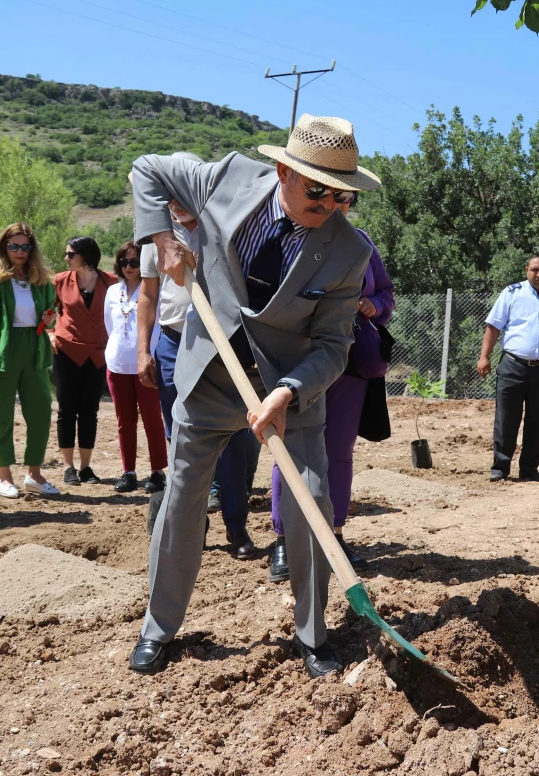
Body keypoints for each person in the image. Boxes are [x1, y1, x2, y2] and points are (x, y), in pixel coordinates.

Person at [127, 113, 376, 678]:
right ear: (283, 171)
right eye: (319, 191)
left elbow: (334, 345)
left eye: (344, 196)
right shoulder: (224, 181)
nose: (331, 205)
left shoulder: (348, 252)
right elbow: (147, 170)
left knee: (313, 503)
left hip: (288, 391)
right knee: (182, 502)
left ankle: (313, 635)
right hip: (210, 375)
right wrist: (163, 239)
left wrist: (288, 391)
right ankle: (159, 626)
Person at [269, 192, 395, 581]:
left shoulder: (362, 244)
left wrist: (374, 305)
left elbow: (387, 295)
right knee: (289, 449)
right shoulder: (292, 237)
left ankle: (335, 534)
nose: (340, 205)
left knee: (339, 450)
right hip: (301, 362)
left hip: (351, 362)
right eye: (332, 197)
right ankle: (284, 540)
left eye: (347, 199)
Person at [135, 167, 260, 556]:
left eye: (181, 194)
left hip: (221, 348)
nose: (174, 204)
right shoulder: (155, 244)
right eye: (167, 197)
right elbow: (147, 299)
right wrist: (143, 351)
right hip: (172, 346)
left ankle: (237, 531)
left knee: (234, 442)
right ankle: (192, 531)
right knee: (182, 444)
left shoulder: (225, 231)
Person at [0, 223, 61, 498]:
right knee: (2, 418)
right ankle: (5, 477)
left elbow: (50, 314)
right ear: (4, 248)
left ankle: (34, 474)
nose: (19, 252)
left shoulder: (42, 281)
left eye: (25, 246)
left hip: (34, 350)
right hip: (1, 353)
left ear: (32, 249)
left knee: (40, 414)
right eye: (14, 246)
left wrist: (49, 319)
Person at [476, 253, 539, 483]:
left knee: (538, 421)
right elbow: (493, 327)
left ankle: (529, 469)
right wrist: (484, 356)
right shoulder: (511, 294)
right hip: (513, 366)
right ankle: (500, 468)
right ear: (526, 270)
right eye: (534, 269)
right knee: (506, 419)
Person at [104, 241, 168, 493]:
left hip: (147, 364)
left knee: (153, 420)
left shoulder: (155, 291)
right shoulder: (112, 292)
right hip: (118, 364)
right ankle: (128, 471)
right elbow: (110, 326)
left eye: (134, 262)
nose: (128, 267)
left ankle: (157, 471)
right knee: (124, 421)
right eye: (124, 262)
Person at [53, 236, 114, 486]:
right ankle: (68, 468)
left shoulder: (111, 281)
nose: (66, 258)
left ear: (86, 256)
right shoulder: (59, 280)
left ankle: (86, 468)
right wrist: (48, 334)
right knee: (66, 410)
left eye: (70, 254)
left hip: (97, 354)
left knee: (90, 411)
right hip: (66, 351)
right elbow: (45, 312)